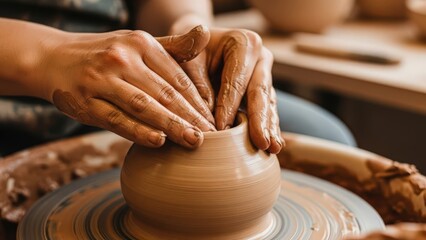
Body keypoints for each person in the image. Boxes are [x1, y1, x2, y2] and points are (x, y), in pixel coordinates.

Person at [0, 0, 355, 157]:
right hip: (14, 90)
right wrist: (46, 56)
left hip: (122, 75)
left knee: (324, 137)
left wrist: (189, 32)